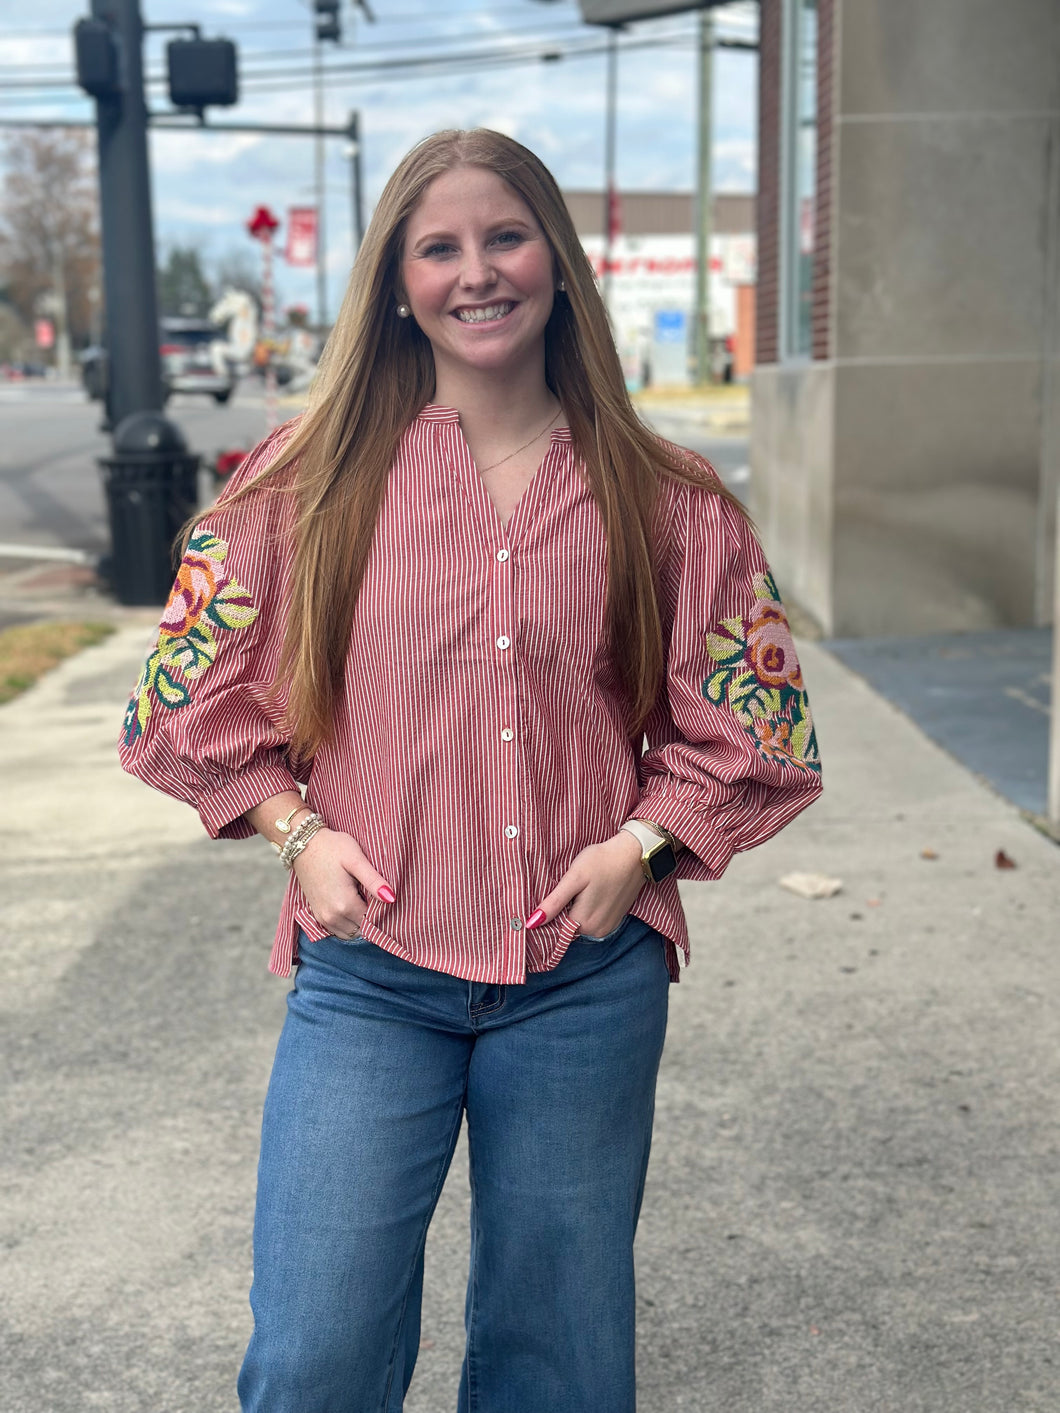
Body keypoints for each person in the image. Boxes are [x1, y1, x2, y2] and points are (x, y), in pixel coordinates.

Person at [119, 128, 822, 1413]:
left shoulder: (664, 495)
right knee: (315, 1355)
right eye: (437, 248)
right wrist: (295, 832)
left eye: (505, 236)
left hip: (582, 984)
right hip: (370, 977)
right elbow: (183, 693)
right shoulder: (303, 484)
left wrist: (643, 845)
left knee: (559, 1365)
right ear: (397, 285)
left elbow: (755, 725)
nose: (476, 270)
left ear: (557, 260)